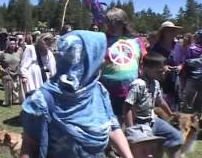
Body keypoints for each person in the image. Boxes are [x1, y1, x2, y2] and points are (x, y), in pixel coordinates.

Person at [20, 30, 133, 158]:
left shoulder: (98, 90)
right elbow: (29, 147)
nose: (104, 61)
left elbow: (113, 126)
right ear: (85, 58)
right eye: (100, 55)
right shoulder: (42, 100)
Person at [123, 52, 183, 158]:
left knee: (176, 137)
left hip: (153, 121)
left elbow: (160, 101)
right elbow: (127, 107)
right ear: (145, 68)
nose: (163, 74)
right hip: (140, 124)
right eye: (159, 72)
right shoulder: (138, 84)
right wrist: (131, 128)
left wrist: (171, 114)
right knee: (145, 151)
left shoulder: (155, 83)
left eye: (163, 72)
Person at [100, 8, 145, 123]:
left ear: (122, 23)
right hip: (107, 89)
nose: (111, 26)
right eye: (108, 22)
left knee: (132, 125)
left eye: (115, 22)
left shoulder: (137, 41)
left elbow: (142, 63)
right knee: (110, 124)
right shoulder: (101, 40)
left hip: (131, 90)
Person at [152, 21, 183, 111]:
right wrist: (163, 67)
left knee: (175, 102)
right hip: (161, 80)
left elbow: (182, 61)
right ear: (163, 32)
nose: (172, 33)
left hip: (175, 79)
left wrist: (180, 66)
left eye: (173, 30)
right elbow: (151, 63)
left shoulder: (178, 46)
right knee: (161, 102)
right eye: (169, 30)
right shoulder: (156, 48)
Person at [0, 38, 23, 106]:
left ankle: (15, 100)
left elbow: (21, 61)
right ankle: (7, 101)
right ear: (8, 45)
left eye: (13, 44)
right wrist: (1, 68)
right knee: (8, 88)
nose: (12, 45)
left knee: (16, 87)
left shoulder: (19, 52)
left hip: (16, 72)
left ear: (16, 45)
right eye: (11, 44)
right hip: (7, 72)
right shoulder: (3, 53)